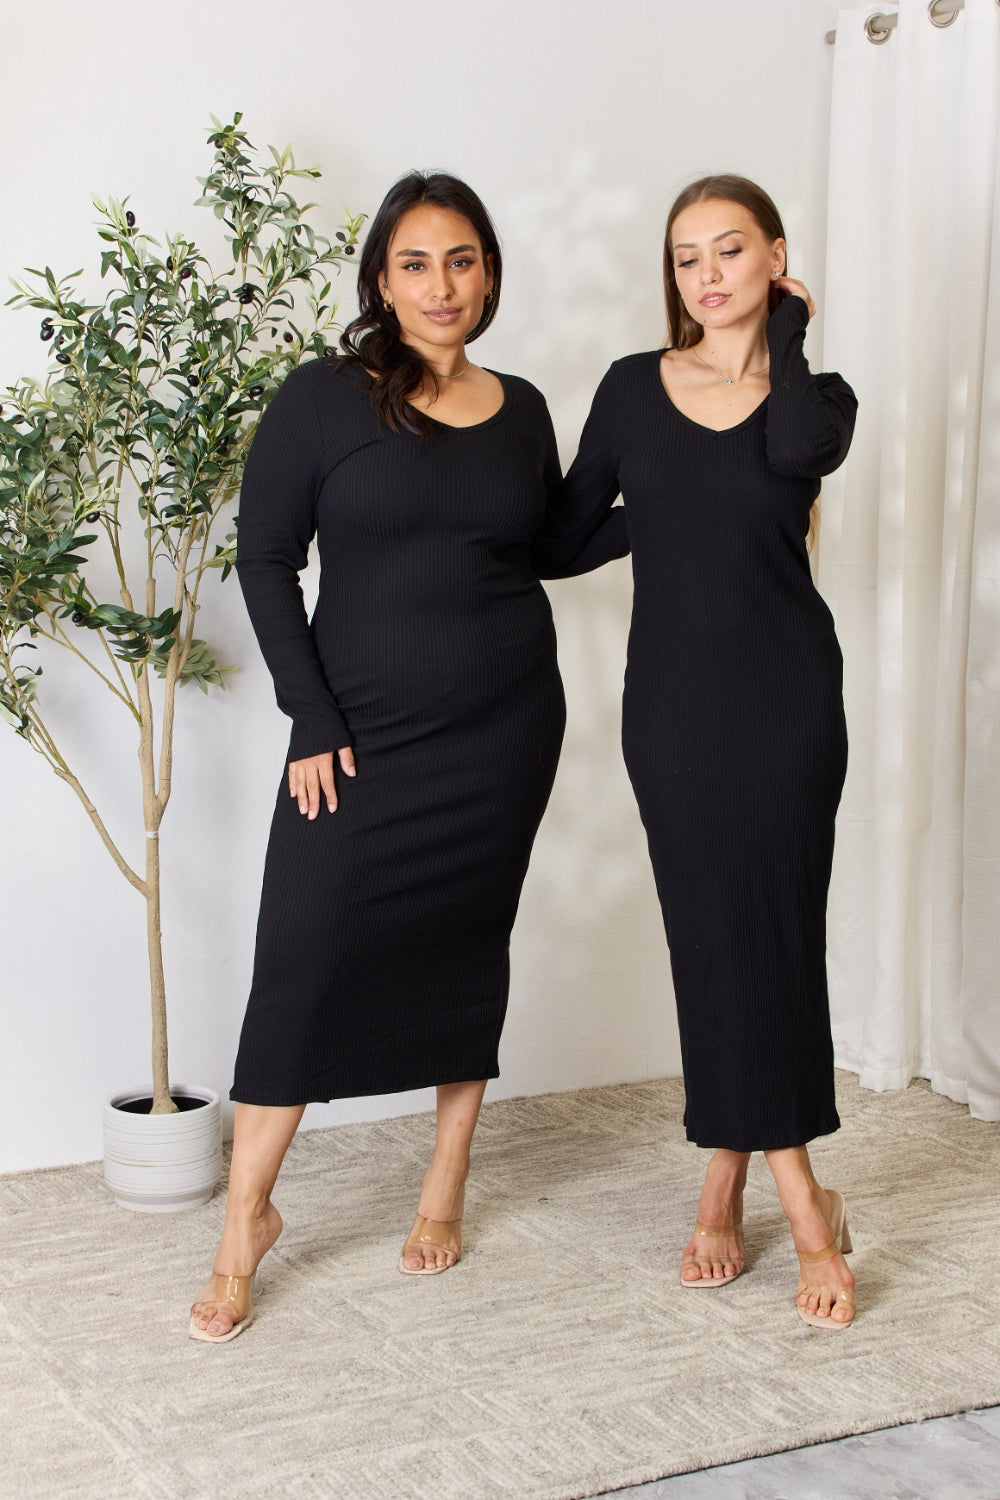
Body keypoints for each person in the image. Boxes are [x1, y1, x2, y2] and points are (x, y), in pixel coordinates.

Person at [189, 172, 626, 1341]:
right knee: (302, 956)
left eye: (465, 260)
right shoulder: (325, 401)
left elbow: (549, 543)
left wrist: (694, 496)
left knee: (463, 945)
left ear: (489, 274)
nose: (443, 286)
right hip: (361, 734)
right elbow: (266, 559)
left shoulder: (522, 407)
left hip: (503, 731)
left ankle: (445, 1180)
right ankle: (246, 1220)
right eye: (418, 263)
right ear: (382, 279)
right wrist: (313, 718)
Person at [549, 175, 859, 1329]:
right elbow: (568, 535)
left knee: (774, 932)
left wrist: (787, 328)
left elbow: (790, 453)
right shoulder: (633, 391)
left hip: (788, 708)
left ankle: (739, 1178)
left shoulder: (820, 395)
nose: (708, 274)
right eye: (687, 257)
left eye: (733, 251)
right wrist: (665, 509)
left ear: (774, 259)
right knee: (709, 939)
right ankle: (793, 1191)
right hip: (673, 715)